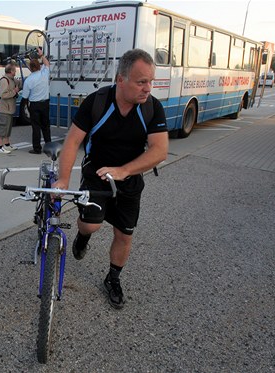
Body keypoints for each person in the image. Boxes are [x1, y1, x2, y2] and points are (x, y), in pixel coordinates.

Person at [53, 49, 169, 309]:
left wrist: (124, 171)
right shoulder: (96, 102)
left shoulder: (152, 107)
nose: (147, 88)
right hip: (96, 174)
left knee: (124, 235)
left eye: (151, 81)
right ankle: (83, 237)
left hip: (129, 180)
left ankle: (113, 278)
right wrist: (63, 180)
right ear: (120, 79)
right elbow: (72, 141)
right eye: (141, 82)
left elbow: (159, 150)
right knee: (90, 226)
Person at [21, 47, 51, 154]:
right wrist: (41, 55)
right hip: (45, 103)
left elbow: (25, 97)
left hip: (34, 105)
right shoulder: (44, 74)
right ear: (39, 66)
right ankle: (49, 148)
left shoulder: (29, 80)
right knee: (46, 126)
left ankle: (37, 148)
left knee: (36, 127)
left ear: (30, 67)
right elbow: (47, 64)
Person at [0, 63, 20, 154]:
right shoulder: (4, 81)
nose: (16, 72)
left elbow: (20, 83)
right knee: (2, 128)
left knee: (8, 128)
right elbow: (3, 95)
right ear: (11, 71)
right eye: (14, 70)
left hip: (9, 109)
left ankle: (6, 145)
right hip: (4, 109)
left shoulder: (12, 79)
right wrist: (14, 91)